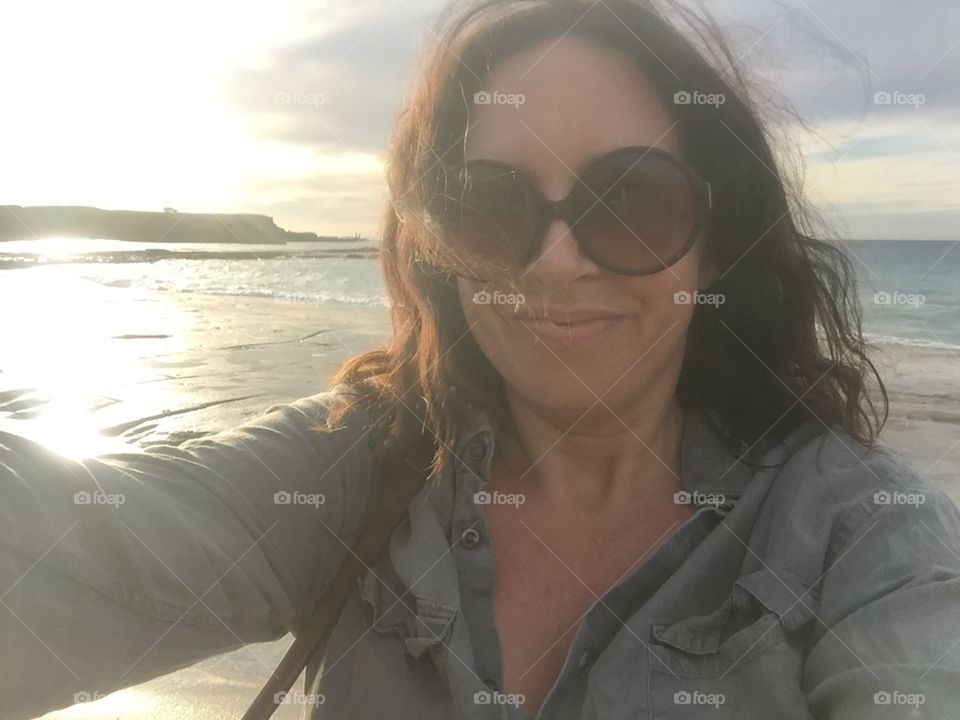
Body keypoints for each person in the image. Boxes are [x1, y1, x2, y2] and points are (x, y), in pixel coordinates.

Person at [3, 1, 959, 718]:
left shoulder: (858, 535)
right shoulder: (359, 466)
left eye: (631, 200)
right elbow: (70, 548)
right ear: (438, 249)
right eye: (490, 206)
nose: (555, 261)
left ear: (717, 244)